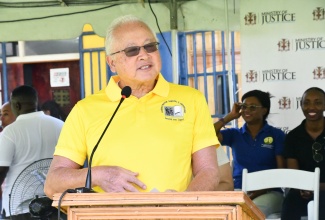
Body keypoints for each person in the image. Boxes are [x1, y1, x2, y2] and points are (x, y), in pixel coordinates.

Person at [44, 15, 221, 197]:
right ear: (112, 63)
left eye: (150, 46)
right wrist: (97, 175)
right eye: (131, 50)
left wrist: (182, 201)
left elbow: (209, 171)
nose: (144, 55)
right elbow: (53, 184)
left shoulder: (192, 99)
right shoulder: (85, 110)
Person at [214, 89, 285, 217]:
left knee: (248, 213)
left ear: (264, 110)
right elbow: (209, 135)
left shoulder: (276, 135)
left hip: (269, 192)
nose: (247, 110)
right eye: (244, 107)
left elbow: (281, 172)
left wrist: (257, 192)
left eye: (252, 107)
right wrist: (230, 116)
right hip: (239, 191)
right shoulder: (235, 134)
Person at [0, 85, 64, 219]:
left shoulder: (10, 132)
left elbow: (1, 170)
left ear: (16, 105)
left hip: (17, 207)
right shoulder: (60, 125)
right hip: (55, 205)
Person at [281, 87, 325, 220]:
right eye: (306, 103)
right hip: (303, 191)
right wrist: (303, 188)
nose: (311, 107)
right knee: (290, 201)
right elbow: (295, 174)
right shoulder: (293, 136)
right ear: (301, 105)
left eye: (317, 102)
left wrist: (317, 187)